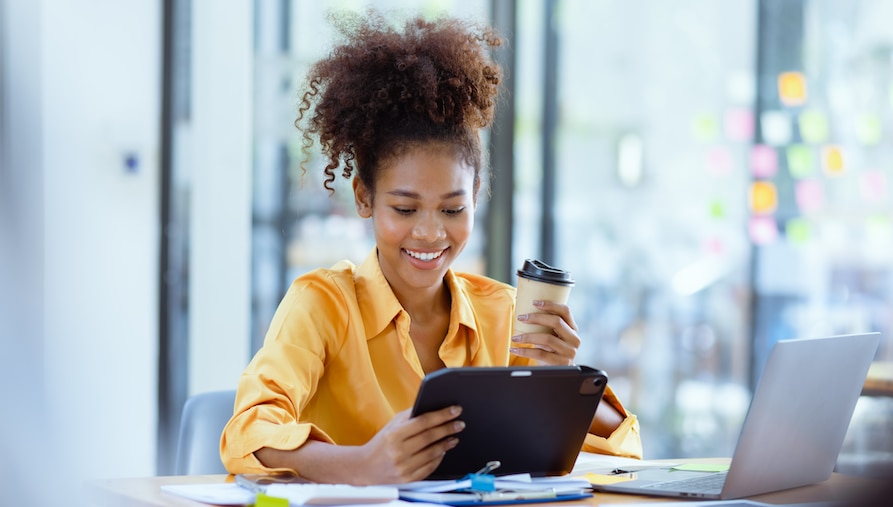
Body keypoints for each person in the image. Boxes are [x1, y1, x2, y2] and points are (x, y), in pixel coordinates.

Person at [220, 11, 641, 485]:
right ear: (364, 197)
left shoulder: (504, 314)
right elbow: (249, 430)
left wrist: (563, 384)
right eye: (404, 209)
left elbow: (622, 451)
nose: (430, 234)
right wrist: (361, 466)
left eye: (452, 209)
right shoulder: (323, 306)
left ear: (476, 196)